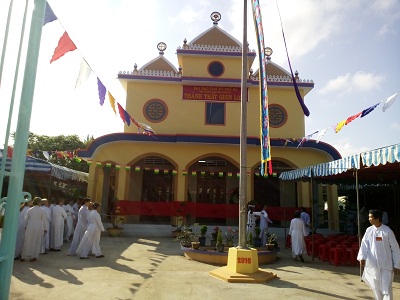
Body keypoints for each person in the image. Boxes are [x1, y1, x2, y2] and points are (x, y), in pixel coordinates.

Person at [357, 209, 400, 300]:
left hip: (386, 265)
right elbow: (364, 245)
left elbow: (395, 249)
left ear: (377, 218)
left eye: (371, 217)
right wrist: (362, 257)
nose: (369, 219)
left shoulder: (387, 231)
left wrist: (397, 265)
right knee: (376, 289)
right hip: (373, 265)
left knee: (386, 288)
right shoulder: (369, 230)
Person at [20, 197, 47, 262]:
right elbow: (44, 220)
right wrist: (45, 228)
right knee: (37, 241)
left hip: (30, 226)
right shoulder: (42, 210)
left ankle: (23, 256)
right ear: (39, 202)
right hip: (38, 227)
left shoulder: (30, 210)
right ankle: (33, 256)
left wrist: (25, 226)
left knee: (28, 241)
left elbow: (26, 219)